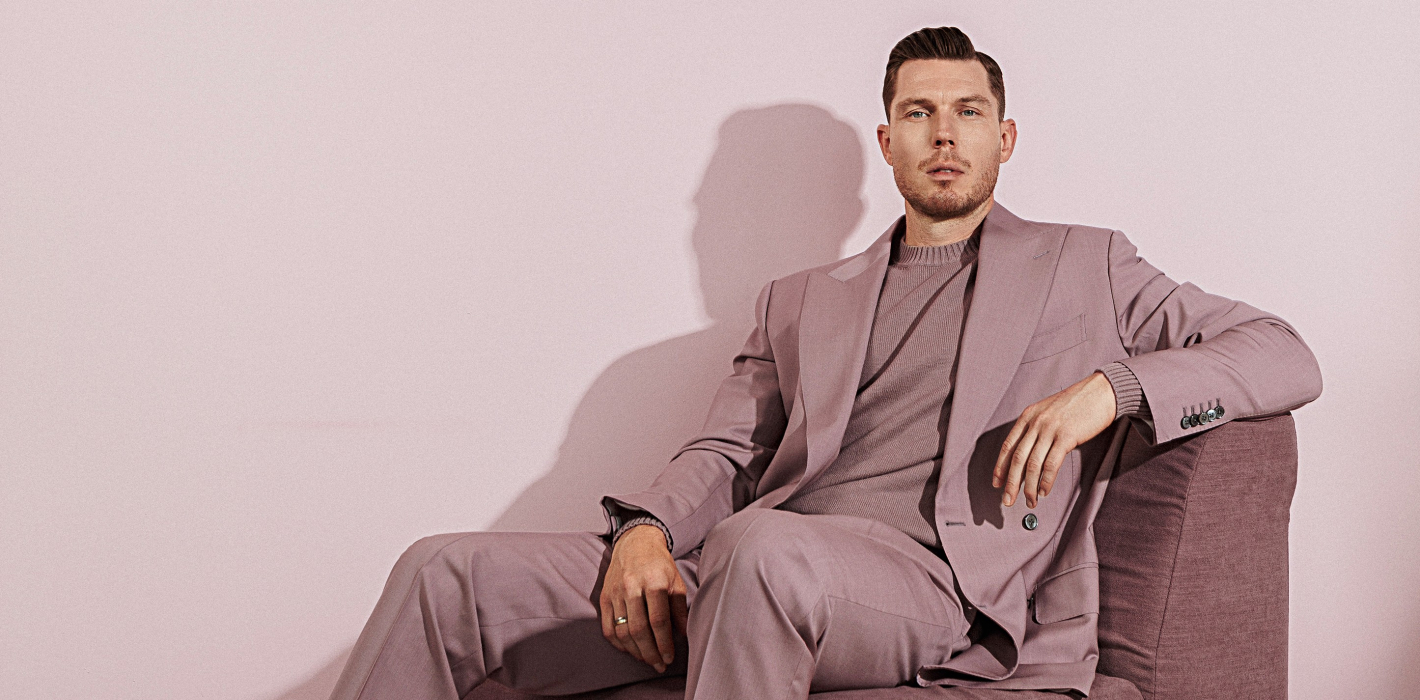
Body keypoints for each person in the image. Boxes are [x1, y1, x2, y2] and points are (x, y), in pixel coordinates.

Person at [328, 26, 1322, 700]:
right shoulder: (801, 299)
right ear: (888, 142)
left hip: (933, 593)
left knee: (763, 553)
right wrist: (641, 529)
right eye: (919, 114)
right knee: (445, 571)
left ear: (1005, 136)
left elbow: (1283, 350)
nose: (944, 133)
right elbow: (725, 452)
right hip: (749, 564)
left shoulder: (1086, 264)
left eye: (968, 112)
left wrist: (1112, 388)